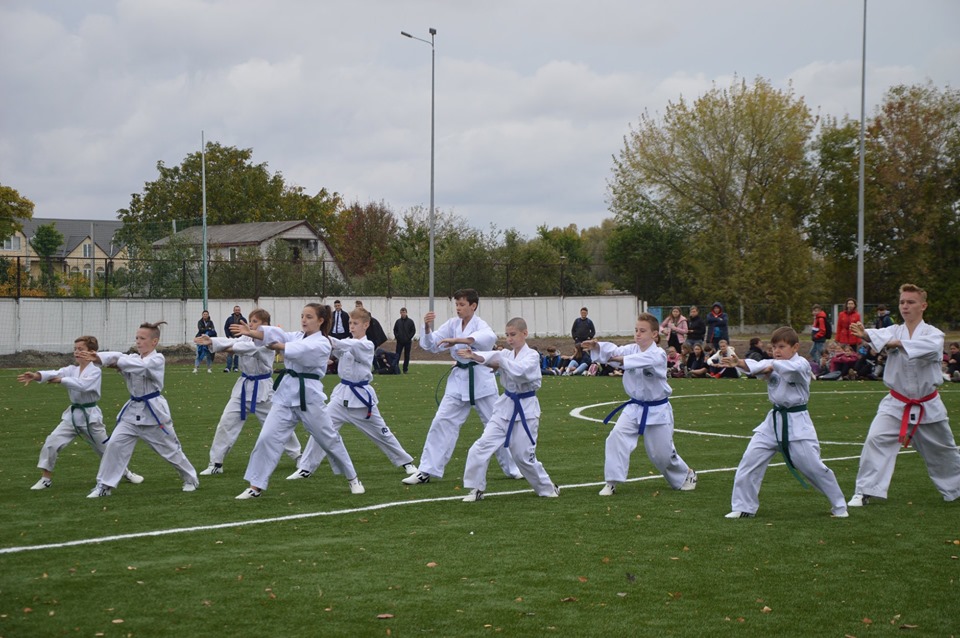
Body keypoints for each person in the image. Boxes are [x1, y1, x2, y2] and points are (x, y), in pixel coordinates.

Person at [231, 303, 363, 499]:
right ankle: (255, 486)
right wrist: (253, 333)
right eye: (302, 316)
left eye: (309, 317)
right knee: (267, 437)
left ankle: (353, 478)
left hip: (309, 397)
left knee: (329, 439)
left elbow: (297, 349)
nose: (304, 320)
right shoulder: (296, 336)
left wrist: (278, 346)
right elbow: (278, 335)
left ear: (321, 320)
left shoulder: (322, 342)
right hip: (285, 395)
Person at [847, 284, 960, 507]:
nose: (905, 306)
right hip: (896, 402)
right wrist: (866, 334)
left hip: (927, 403)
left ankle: (955, 487)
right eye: (902, 302)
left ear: (923, 306)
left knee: (943, 450)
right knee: (875, 439)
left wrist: (893, 343)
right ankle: (865, 490)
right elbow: (875, 336)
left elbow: (923, 347)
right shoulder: (893, 330)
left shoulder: (933, 335)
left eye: (911, 302)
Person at [721, 327, 848, 519]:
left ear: (795, 347)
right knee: (750, 459)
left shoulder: (801, 364)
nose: (777, 351)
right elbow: (758, 366)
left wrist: (770, 365)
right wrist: (738, 362)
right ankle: (744, 506)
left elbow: (784, 368)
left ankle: (839, 505)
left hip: (797, 422)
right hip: (773, 421)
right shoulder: (773, 362)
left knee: (813, 467)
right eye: (773, 347)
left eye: (781, 346)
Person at [403, 289, 521, 485]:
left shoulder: (480, 325)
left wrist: (457, 340)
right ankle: (426, 470)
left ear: (473, 306)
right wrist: (426, 327)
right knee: (441, 421)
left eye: (462, 305)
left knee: (498, 424)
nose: (458, 308)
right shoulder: (452, 324)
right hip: (458, 381)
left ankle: (513, 467)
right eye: (456, 304)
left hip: (482, 380)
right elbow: (432, 345)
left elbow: (488, 338)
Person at [287, 307, 417, 480]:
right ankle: (306, 467)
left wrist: (321, 334)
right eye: (350, 323)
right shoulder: (348, 342)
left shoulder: (366, 344)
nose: (352, 326)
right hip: (341, 396)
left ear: (366, 325)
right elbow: (331, 350)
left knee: (382, 432)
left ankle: (406, 462)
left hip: (361, 398)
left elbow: (339, 344)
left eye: (355, 323)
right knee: (322, 428)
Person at [582, 313, 698, 495]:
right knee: (616, 436)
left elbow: (638, 361)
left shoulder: (658, 354)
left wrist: (617, 360)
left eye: (642, 331)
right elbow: (615, 351)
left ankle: (686, 474)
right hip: (634, 407)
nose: (638, 334)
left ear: (654, 334)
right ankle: (611, 481)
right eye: (636, 330)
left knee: (661, 454)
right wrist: (597, 346)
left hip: (657, 409)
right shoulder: (631, 349)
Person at [86, 322, 199, 497]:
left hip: (153, 412)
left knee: (170, 450)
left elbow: (140, 367)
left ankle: (190, 479)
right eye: (137, 338)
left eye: (142, 338)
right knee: (115, 445)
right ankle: (104, 486)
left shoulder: (157, 359)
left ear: (154, 342)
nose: (138, 341)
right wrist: (97, 357)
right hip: (132, 412)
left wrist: (118, 362)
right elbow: (117, 356)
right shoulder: (132, 358)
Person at [18, 336, 143, 491]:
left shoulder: (95, 371)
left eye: (80, 349)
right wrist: (37, 375)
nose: (76, 352)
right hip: (72, 416)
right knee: (51, 443)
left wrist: (62, 381)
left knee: (106, 450)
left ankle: (126, 473)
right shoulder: (72, 370)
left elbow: (83, 386)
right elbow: (55, 373)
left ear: (91, 352)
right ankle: (45, 479)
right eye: (75, 349)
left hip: (91, 416)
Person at [458, 317, 559, 501]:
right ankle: (476, 488)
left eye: (513, 335)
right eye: (507, 335)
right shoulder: (506, 354)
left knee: (522, 457)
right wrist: (475, 356)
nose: (509, 339)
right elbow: (490, 357)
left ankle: (547, 487)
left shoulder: (532, 356)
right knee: (480, 447)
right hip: (504, 407)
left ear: (525, 333)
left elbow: (520, 372)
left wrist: (500, 362)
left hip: (526, 409)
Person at [196, 308, 302, 476]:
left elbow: (240, 348)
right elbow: (232, 341)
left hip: (263, 390)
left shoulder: (268, 342)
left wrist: (214, 344)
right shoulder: (245, 337)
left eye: (255, 322)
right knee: (226, 422)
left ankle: (298, 456)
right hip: (243, 387)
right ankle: (216, 462)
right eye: (250, 321)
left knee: (278, 424)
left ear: (265, 326)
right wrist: (212, 340)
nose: (251, 324)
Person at [393, 307, 416, 374]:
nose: (403, 314)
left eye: (404, 312)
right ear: (400, 313)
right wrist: (397, 337)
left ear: (406, 313)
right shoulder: (398, 322)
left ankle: (405, 369)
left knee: (407, 355)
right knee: (397, 355)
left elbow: (413, 330)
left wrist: (409, 337)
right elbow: (395, 330)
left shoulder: (410, 321)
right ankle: (395, 368)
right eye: (402, 312)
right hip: (399, 341)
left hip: (407, 342)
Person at [223, 305, 246, 372]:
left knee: (237, 353)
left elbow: (246, 329)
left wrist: (243, 337)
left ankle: (235, 367)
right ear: (233, 311)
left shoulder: (243, 319)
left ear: (240, 311)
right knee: (230, 353)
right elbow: (226, 327)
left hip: (239, 338)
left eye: (238, 310)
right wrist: (228, 336)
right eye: (236, 310)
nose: (237, 311)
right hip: (231, 338)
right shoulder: (229, 319)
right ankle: (228, 367)